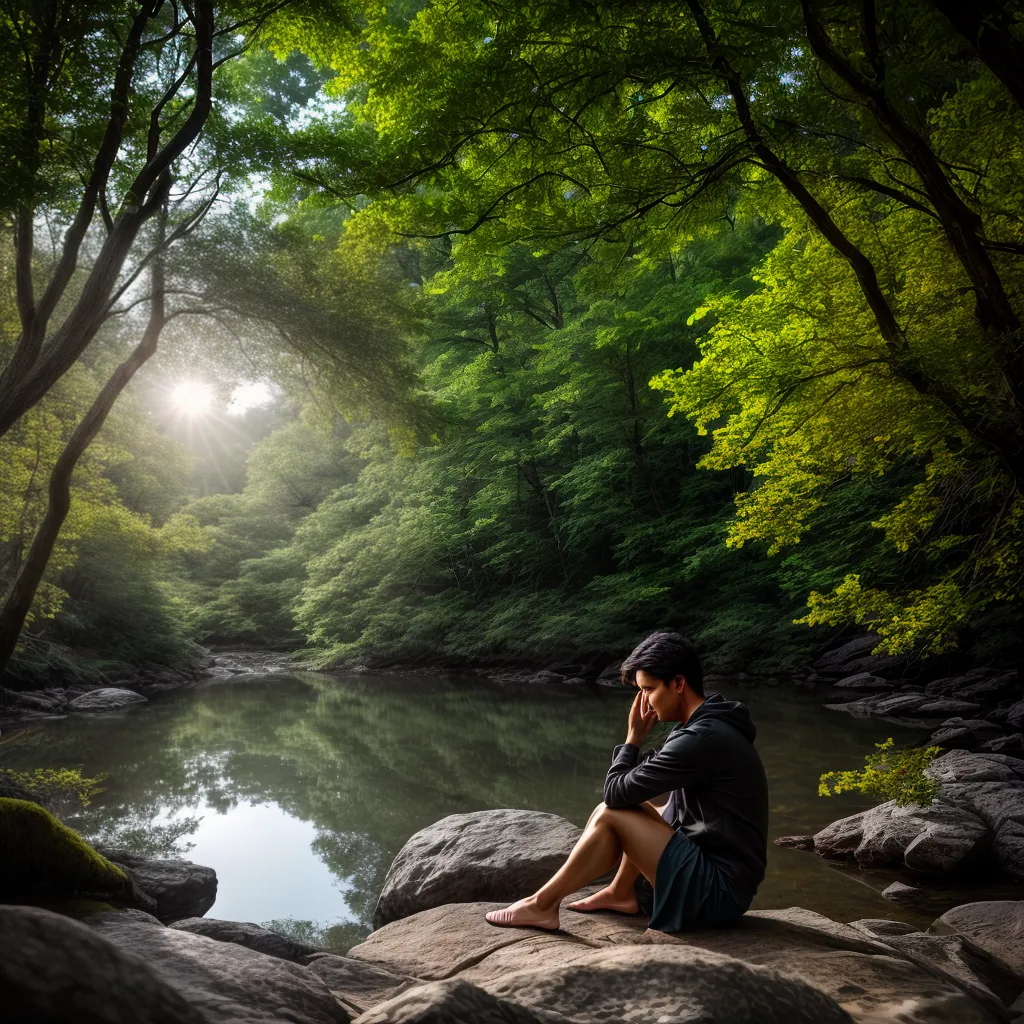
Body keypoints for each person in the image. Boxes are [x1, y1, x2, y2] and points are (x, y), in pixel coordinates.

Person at [485, 631, 768, 932]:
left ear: (678, 683)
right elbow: (634, 788)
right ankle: (621, 892)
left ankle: (541, 906)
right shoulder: (706, 725)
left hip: (718, 894)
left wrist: (632, 739)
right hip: (725, 883)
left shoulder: (701, 739)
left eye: (649, 689)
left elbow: (614, 793)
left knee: (612, 811)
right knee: (643, 806)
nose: (644, 701)